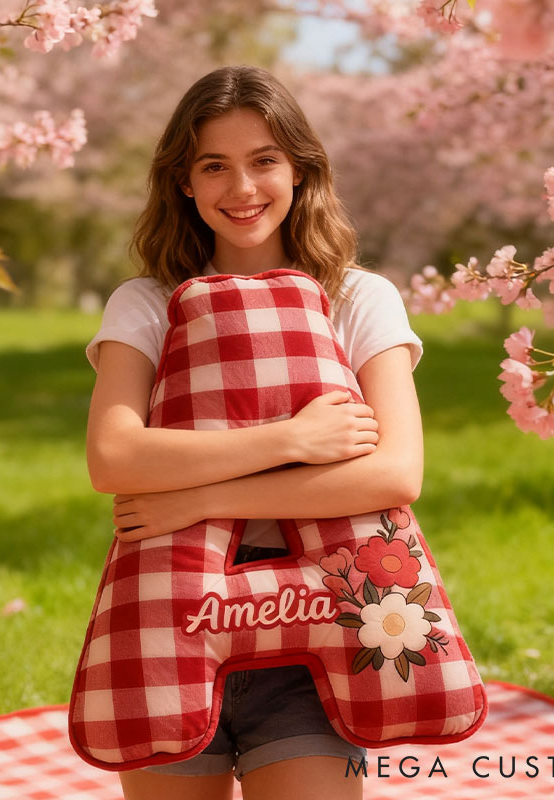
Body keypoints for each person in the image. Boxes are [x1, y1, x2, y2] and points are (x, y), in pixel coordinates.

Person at [84, 65, 424, 800]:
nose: (242, 189)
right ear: (183, 180)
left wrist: (193, 495)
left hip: (320, 624)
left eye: (264, 160)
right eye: (215, 166)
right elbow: (115, 456)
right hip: (168, 613)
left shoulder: (359, 298)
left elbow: (395, 475)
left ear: (300, 169)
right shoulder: (147, 303)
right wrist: (293, 438)